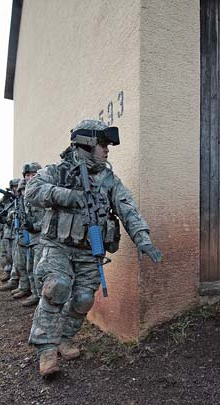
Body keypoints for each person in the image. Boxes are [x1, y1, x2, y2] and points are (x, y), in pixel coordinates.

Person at [25, 119, 162, 378]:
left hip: (90, 250)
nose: (107, 150)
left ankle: (65, 338)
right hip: (58, 246)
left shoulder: (108, 179)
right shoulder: (58, 171)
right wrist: (68, 196)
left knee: (84, 299)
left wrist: (143, 238)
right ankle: (46, 349)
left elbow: (127, 207)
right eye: (103, 145)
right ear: (86, 146)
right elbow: (32, 191)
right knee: (56, 287)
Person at [18, 162, 45, 307]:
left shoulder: (43, 194)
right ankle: (35, 294)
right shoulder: (28, 195)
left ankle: (42, 300)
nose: (30, 178)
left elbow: (49, 219)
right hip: (32, 239)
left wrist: (34, 226)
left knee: (39, 271)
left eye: (33, 175)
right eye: (27, 175)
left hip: (43, 239)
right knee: (30, 268)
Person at [0, 178, 20, 287]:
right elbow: (1, 205)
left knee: (16, 257)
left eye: (17, 186)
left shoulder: (21, 199)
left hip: (16, 232)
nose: (15, 189)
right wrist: (6, 196)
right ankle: (8, 273)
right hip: (7, 232)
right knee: (6, 255)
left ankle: (16, 279)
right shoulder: (9, 200)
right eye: (13, 187)